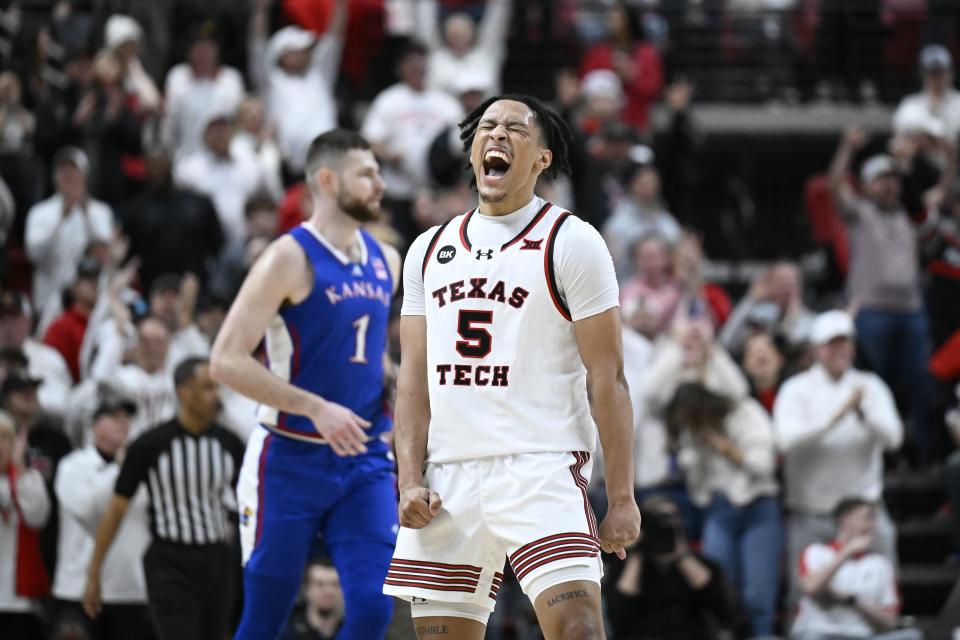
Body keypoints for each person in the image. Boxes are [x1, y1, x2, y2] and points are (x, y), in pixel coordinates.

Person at [384, 94, 641, 639]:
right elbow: (411, 382)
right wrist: (409, 479)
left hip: (541, 465)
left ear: (543, 159)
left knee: (578, 630)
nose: (496, 136)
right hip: (450, 475)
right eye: (486, 128)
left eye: (514, 130)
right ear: (472, 150)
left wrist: (621, 497)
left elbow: (609, 378)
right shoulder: (428, 249)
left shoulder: (572, 240)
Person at [210, 129, 401, 639]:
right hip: (289, 459)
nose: (380, 183)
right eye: (367, 173)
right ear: (327, 179)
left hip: (363, 460)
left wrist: (395, 383)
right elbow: (225, 360)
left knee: (372, 610)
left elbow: (367, 349)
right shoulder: (286, 258)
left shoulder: (388, 259)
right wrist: (315, 406)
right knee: (265, 618)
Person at [82, 358, 244, 640]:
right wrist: (94, 573)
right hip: (169, 560)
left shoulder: (229, 443)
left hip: (217, 559)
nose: (215, 395)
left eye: (217, 387)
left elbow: (251, 502)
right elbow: (116, 510)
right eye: (206, 387)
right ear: (183, 392)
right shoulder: (150, 444)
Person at [773, 310, 903, 610]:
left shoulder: (870, 386)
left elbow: (893, 438)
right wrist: (835, 417)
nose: (839, 351)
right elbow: (785, 441)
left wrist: (864, 413)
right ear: (817, 349)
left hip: (865, 512)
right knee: (803, 596)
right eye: (831, 345)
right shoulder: (796, 389)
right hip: (811, 510)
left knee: (882, 592)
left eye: (844, 343)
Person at [828, 127, 930, 463]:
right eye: (880, 180)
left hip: (911, 311)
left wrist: (928, 157)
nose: (888, 185)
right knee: (872, 386)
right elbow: (834, 186)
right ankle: (875, 456)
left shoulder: (911, 214)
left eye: (892, 179)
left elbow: (941, 193)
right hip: (872, 311)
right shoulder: (859, 212)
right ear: (867, 185)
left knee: (920, 385)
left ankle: (922, 455)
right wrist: (847, 147)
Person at [666, 382, 781, 637]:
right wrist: (694, 458)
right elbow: (697, 488)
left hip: (757, 507)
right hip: (719, 510)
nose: (692, 424)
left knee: (757, 596)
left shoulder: (744, 412)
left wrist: (721, 445)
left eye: (694, 418)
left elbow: (764, 465)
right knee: (719, 591)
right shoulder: (692, 430)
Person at [52, 396, 153, 640]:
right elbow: (87, 509)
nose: (122, 423)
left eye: (126, 418)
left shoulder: (142, 468)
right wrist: (121, 470)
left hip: (130, 587)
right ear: (94, 426)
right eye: (113, 417)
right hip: (76, 586)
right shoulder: (72, 465)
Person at [605, 496, 741, 640]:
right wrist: (638, 552)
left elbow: (724, 610)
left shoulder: (703, 564)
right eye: (655, 525)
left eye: (671, 522)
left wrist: (682, 556)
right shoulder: (624, 567)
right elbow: (618, 618)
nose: (662, 530)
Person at [791, 498, 918, 640]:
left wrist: (854, 601)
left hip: (861, 635)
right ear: (845, 520)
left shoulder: (881, 564)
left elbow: (890, 622)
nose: (873, 526)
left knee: (912, 636)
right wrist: (847, 552)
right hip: (819, 632)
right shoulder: (816, 552)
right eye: (867, 518)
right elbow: (811, 587)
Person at [249, 0, 347, 174]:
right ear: (282, 55)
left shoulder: (320, 75)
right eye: (300, 50)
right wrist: (260, 10)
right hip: (290, 168)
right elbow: (257, 46)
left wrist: (340, 5)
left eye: (307, 49)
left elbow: (335, 38)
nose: (307, 53)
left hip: (327, 164)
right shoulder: (271, 81)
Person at [24, 146, 114, 317]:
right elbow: (34, 254)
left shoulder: (100, 212)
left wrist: (85, 211)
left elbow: (104, 251)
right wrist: (61, 217)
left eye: (74, 171)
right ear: (56, 176)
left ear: (84, 176)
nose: (69, 177)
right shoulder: (40, 212)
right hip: (48, 300)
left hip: (88, 302)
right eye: (64, 171)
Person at [0, 409, 50, 640]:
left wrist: (19, 470)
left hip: (19, 600)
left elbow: (37, 517)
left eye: (4, 438)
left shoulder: (29, 479)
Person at [161, 22, 244, 159]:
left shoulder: (232, 79)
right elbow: (169, 123)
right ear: (189, 51)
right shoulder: (177, 77)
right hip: (187, 161)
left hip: (224, 164)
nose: (203, 53)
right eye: (198, 47)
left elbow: (239, 124)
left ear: (217, 50)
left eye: (208, 47)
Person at [0, 291, 72, 419]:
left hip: (38, 428)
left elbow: (62, 404)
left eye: (14, 317)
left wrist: (25, 397)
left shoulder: (48, 358)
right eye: (2, 318)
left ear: (28, 322)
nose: (8, 326)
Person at [893, 44, 960, 146]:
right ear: (922, 75)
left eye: (941, 72)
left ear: (950, 73)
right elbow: (896, 146)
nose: (937, 79)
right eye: (932, 73)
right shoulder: (909, 106)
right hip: (919, 159)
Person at [281, 558, 344, 640]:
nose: (328, 591)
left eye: (335, 584)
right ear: (306, 589)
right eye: (320, 584)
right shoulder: (287, 631)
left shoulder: (356, 630)